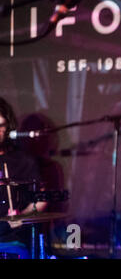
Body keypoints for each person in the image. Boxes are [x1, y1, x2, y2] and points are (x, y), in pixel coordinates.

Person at [0, 97, 47, 257]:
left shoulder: (23, 161)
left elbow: (40, 200)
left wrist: (21, 216)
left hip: (10, 243)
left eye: (0, 126)